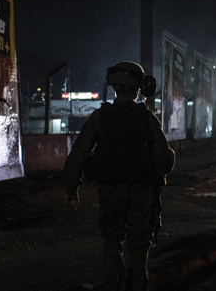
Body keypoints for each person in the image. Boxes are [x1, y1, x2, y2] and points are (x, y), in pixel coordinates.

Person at [63, 61, 175, 291]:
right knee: (139, 244)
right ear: (138, 88)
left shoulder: (100, 117)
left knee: (112, 240)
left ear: (114, 86)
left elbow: (79, 153)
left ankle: (112, 286)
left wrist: (71, 188)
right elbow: (164, 161)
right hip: (140, 191)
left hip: (110, 191)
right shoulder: (146, 118)